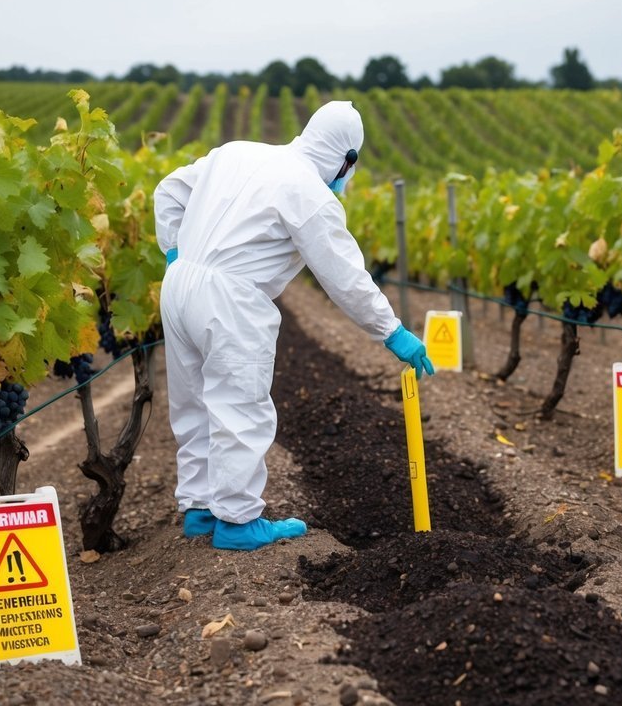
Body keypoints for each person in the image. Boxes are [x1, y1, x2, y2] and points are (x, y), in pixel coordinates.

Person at [154, 100, 434, 551]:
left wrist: (174, 252)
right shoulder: (310, 194)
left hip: (179, 284)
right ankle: (238, 523)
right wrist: (392, 331)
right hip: (232, 298)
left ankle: (200, 510)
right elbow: (345, 277)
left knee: (192, 402)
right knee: (239, 406)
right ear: (347, 160)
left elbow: (167, 190)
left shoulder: (237, 151)